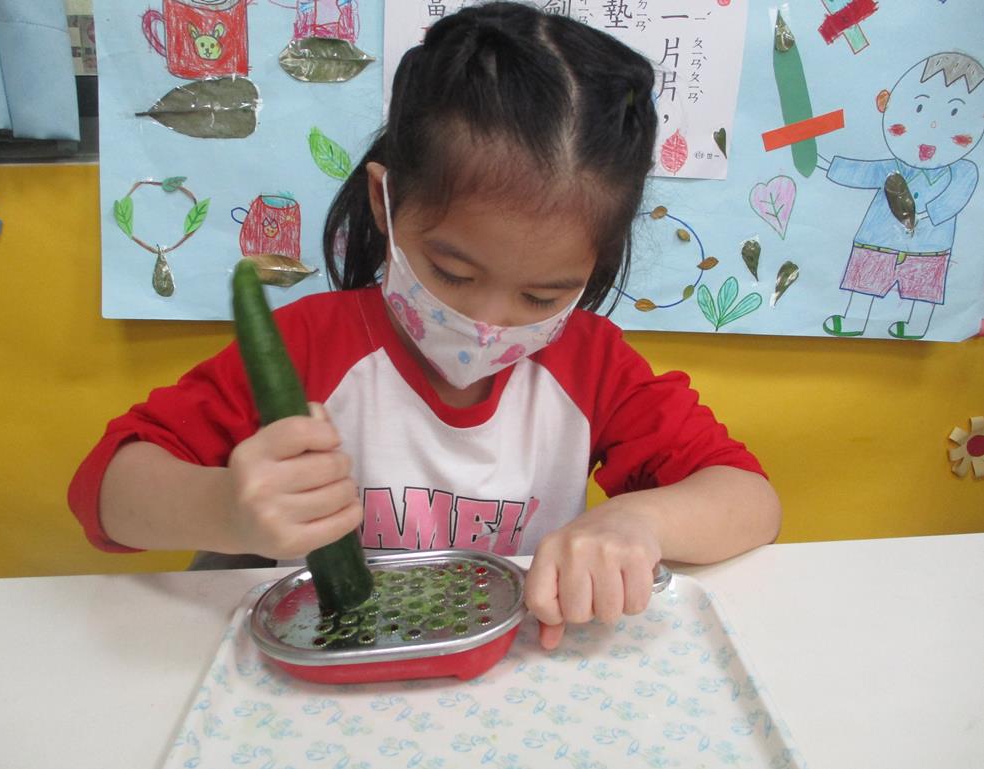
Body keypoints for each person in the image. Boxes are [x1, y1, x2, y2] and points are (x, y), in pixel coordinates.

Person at [69, 2, 780, 650]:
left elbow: (750, 500)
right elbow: (104, 492)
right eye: (453, 274)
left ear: (597, 264)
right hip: (327, 674)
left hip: (513, 672)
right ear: (385, 203)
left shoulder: (591, 365)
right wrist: (226, 509)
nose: (486, 322)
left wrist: (637, 522)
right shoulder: (308, 347)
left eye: (542, 295)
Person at [819, 52, 983, 340]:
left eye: (954, 113)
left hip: (930, 244)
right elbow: (862, 172)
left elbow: (956, 196)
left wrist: (929, 213)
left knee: (923, 287)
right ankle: (854, 318)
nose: (933, 126)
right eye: (919, 108)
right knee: (866, 279)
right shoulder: (892, 167)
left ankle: (918, 326)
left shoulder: (963, 171)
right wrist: (822, 162)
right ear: (886, 103)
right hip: (877, 239)